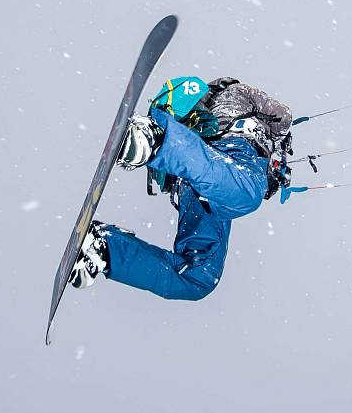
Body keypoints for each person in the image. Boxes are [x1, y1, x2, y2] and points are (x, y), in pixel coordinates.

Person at [68, 77, 292, 301]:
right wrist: (281, 145)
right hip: (224, 154)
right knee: (249, 193)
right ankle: (157, 140)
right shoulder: (239, 92)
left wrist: (272, 169)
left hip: (201, 182)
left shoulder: (220, 105)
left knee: (199, 279)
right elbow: (283, 115)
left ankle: (103, 249)